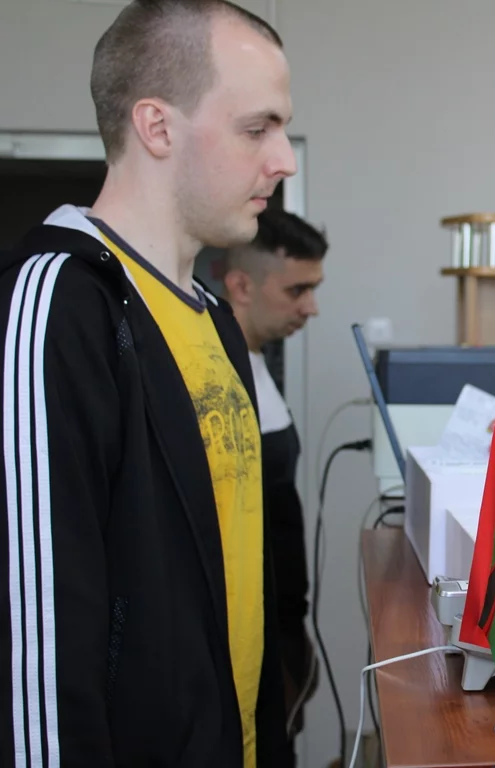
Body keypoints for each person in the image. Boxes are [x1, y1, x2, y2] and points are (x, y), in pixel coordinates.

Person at [0, 1, 296, 765]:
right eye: (257, 128)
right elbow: (38, 631)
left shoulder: (214, 318)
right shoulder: (60, 303)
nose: (285, 160)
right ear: (157, 127)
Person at [222, 207, 326, 760]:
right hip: (243, 643)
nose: (311, 307)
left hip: (282, 627)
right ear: (241, 285)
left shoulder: (259, 363)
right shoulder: (216, 377)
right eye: (297, 290)